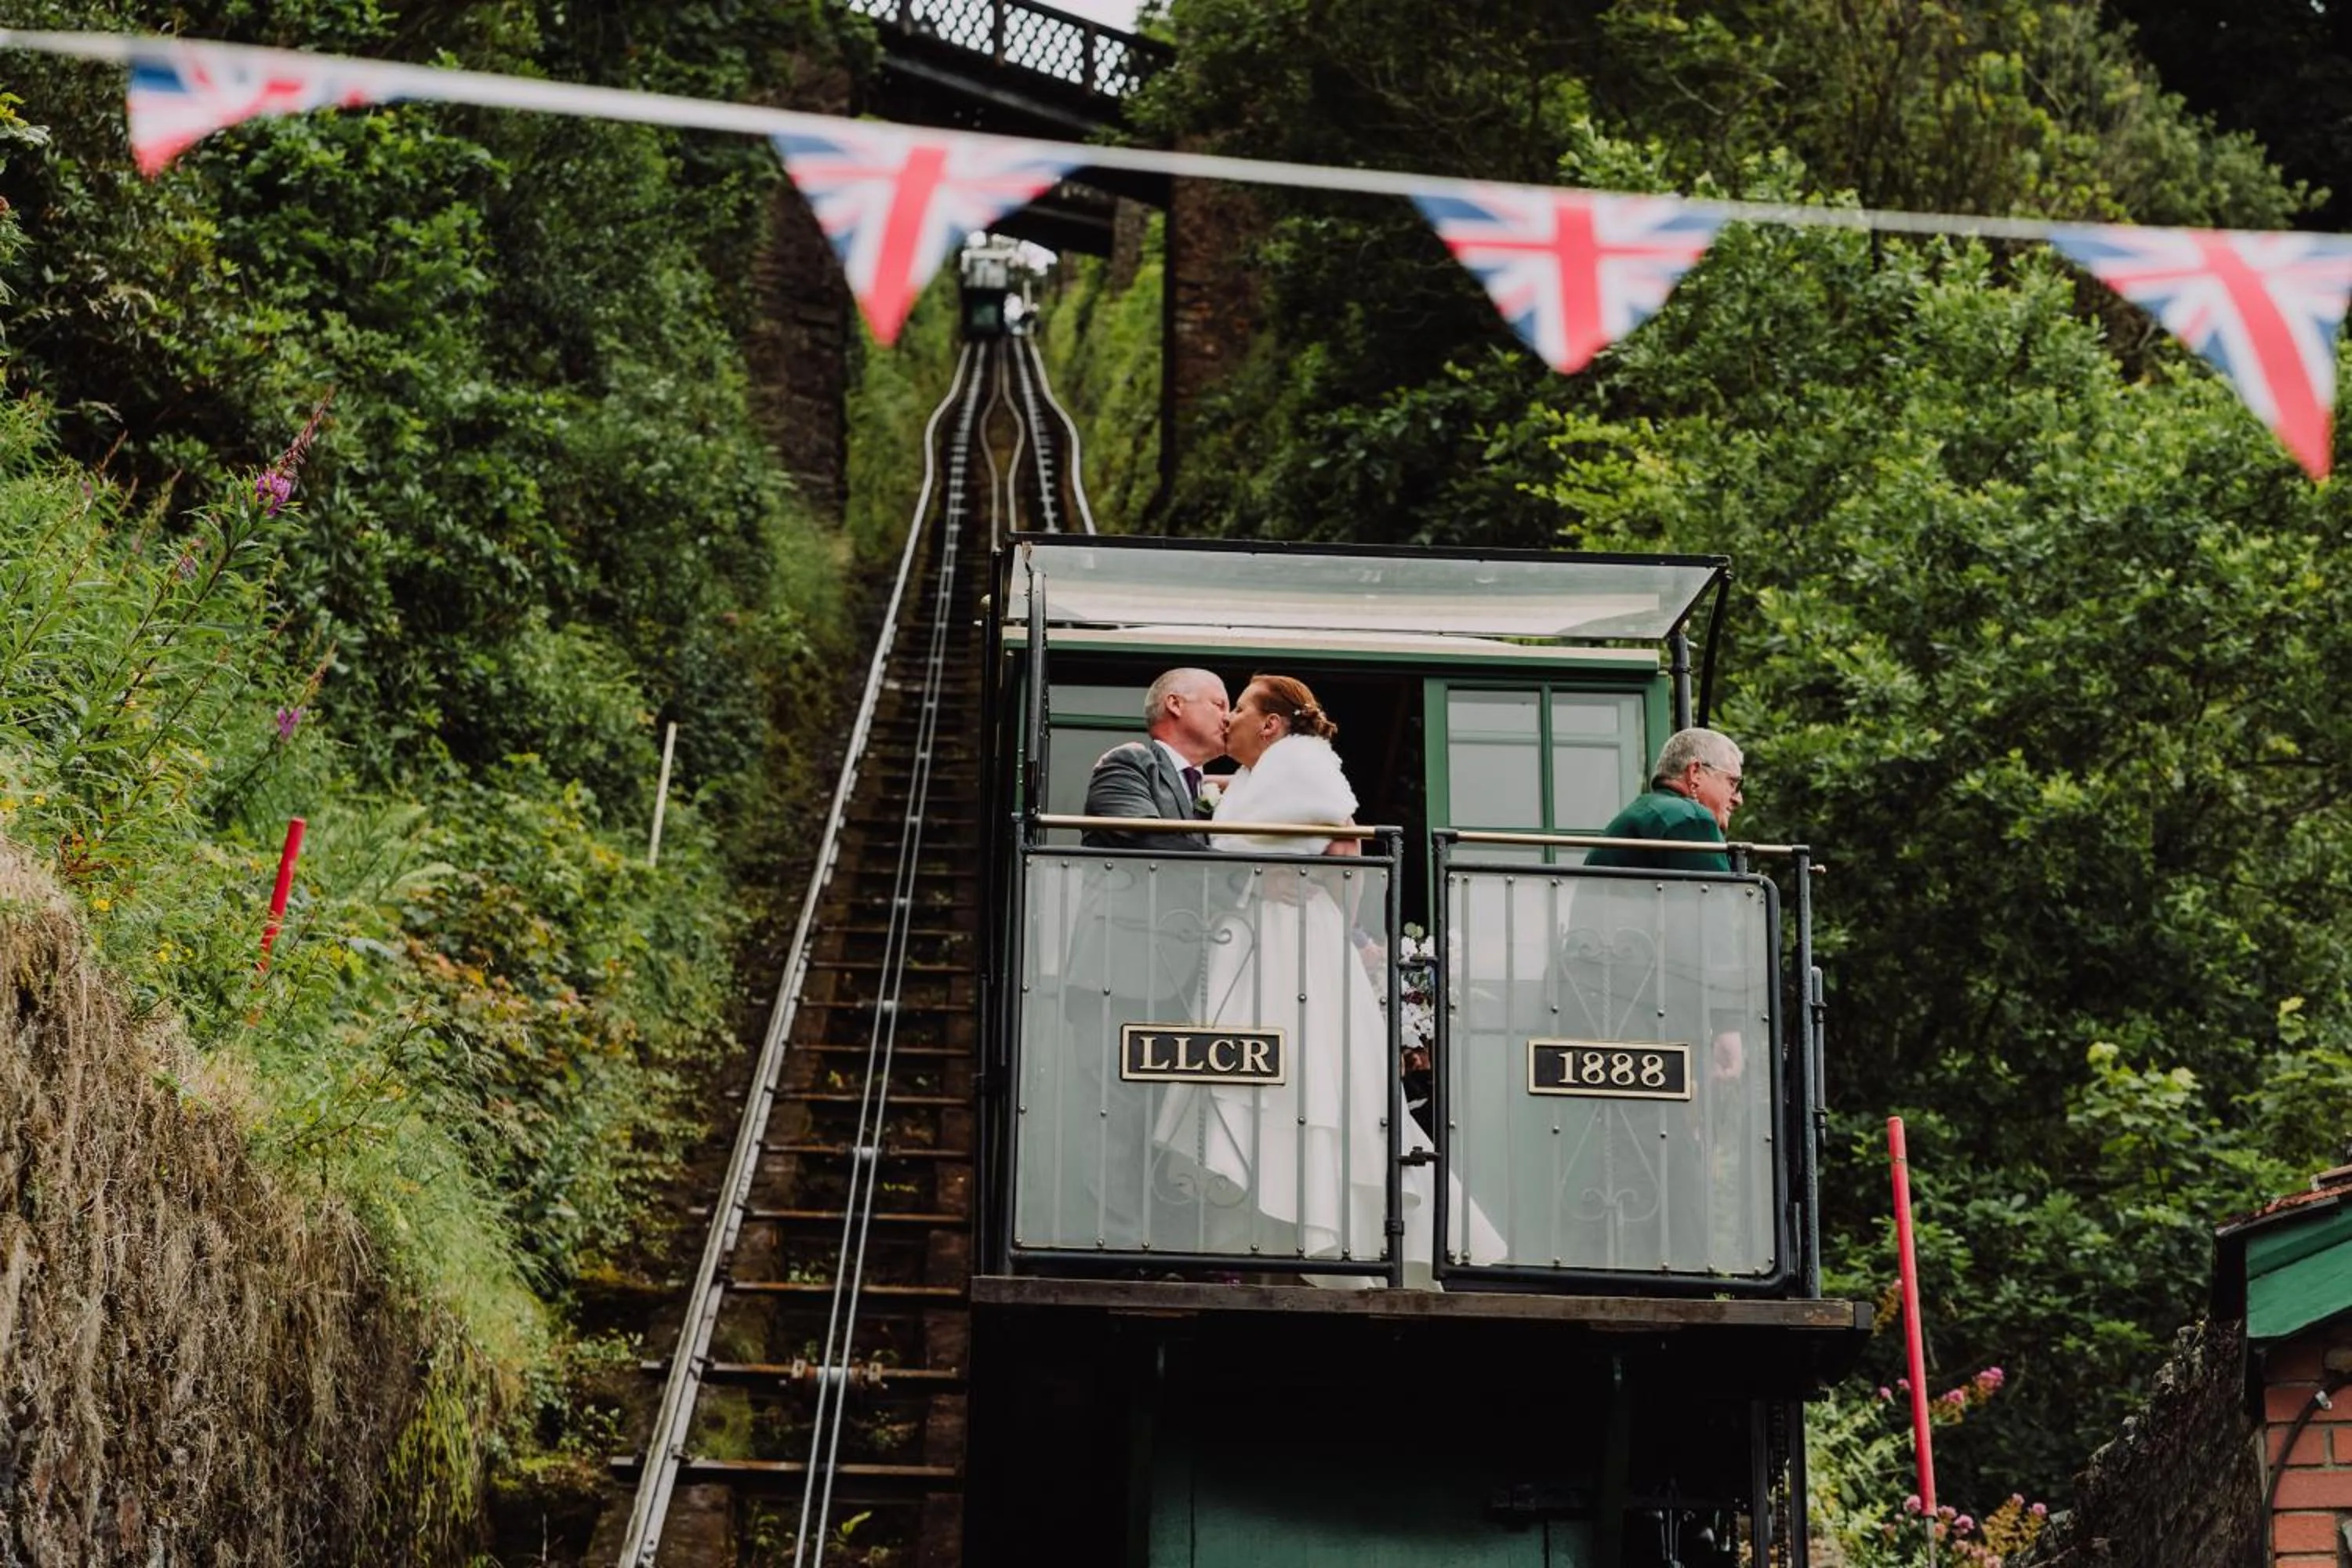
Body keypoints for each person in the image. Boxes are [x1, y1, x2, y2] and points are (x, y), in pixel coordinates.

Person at [1151, 674, 1501, 1285]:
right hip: (1258, 931)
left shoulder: (1301, 762)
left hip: (1287, 934)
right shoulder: (1265, 771)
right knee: (1268, 1073)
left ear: (1271, 723)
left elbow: (1343, 841)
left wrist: (1324, 905)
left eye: (1240, 708)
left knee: (1303, 1072)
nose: (1229, 718)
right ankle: (1266, 1232)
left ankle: (1305, 1228)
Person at [1047, 670, 1229, 1250]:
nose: (1229, 715)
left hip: (1188, 981)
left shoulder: (1215, 789)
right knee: (1114, 1119)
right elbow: (1151, 841)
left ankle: (1170, 1248)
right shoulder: (1125, 764)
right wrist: (1235, 856)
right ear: (1175, 704)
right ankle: (1115, 1249)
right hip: (1117, 975)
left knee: (1172, 1126)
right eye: (1220, 702)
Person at [1584, 727, 1743, 872]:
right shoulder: (1688, 817)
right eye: (1733, 783)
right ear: (1695, 773)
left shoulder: (1649, 812)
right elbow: (1718, 900)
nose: (1738, 799)